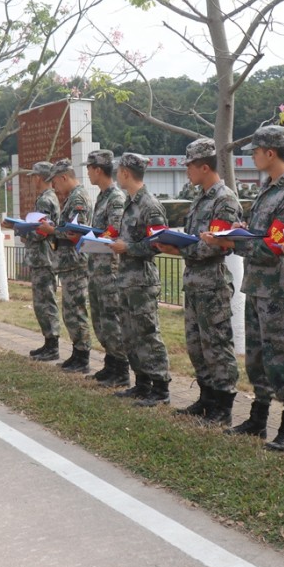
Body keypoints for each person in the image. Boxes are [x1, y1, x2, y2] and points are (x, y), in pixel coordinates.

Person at [204, 125, 284, 451]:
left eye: (254, 151)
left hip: (277, 286)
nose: (250, 157)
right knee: (256, 358)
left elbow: (276, 246)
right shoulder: (269, 189)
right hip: (257, 284)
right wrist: (241, 231)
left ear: (270, 152)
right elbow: (262, 235)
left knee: (281, 357)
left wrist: (237, 240)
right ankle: (258, 417)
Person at [157, 138, 240, 425]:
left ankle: (223, 405)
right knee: (196, 346)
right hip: (194, 283)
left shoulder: (224, 200)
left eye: (190, 166)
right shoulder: (200, 198)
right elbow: (196, 238)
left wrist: (178, 248)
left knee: (217, 346)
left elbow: (215, 245)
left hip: (213, 285)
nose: (187, 172)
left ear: (205, 167)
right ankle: (206, 399)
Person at [109, 153, 172, 406]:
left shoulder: (150, 205)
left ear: (125, 172)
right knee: (129, 334)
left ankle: (161, 388)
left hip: (142, 281)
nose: (116, 175)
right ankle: (142, 383)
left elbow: (159, 244)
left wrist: (129, 248)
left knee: (147, 334)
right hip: (126, 279)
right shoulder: (129, 203)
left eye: (118, 171)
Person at [38, 159, 92, 373]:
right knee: (70, 311)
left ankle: (83, 356)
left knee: (76, 311)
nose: (55, 187)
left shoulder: (78, 198)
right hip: (69, 263)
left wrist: (52, 231)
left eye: (56, 182)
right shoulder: (72, 197)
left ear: (64, 177)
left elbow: (76, 232)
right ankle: (77, 353)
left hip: (76, 263)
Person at [5, 161, 61, 361]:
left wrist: (23, 231)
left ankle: (52, 345)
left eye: (35, 176)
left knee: (45, 302)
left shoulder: (46, 200)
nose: (33, 180)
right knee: (42, 302)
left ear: (41, 177)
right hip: (43, 257)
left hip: (43, 258)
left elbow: (41, 230)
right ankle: (48, 342)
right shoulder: (46, 198)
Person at [83, 149, 129, 386]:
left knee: (112, 320)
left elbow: (115, 231)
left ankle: (121, 370)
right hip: (96, 269)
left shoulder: (115, 198)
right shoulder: (102, 197)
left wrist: (94, 237)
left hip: (110, 270)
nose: (88, 173)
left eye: (89, 168)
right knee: (100, 321)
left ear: (98, 170)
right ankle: (111, 364)